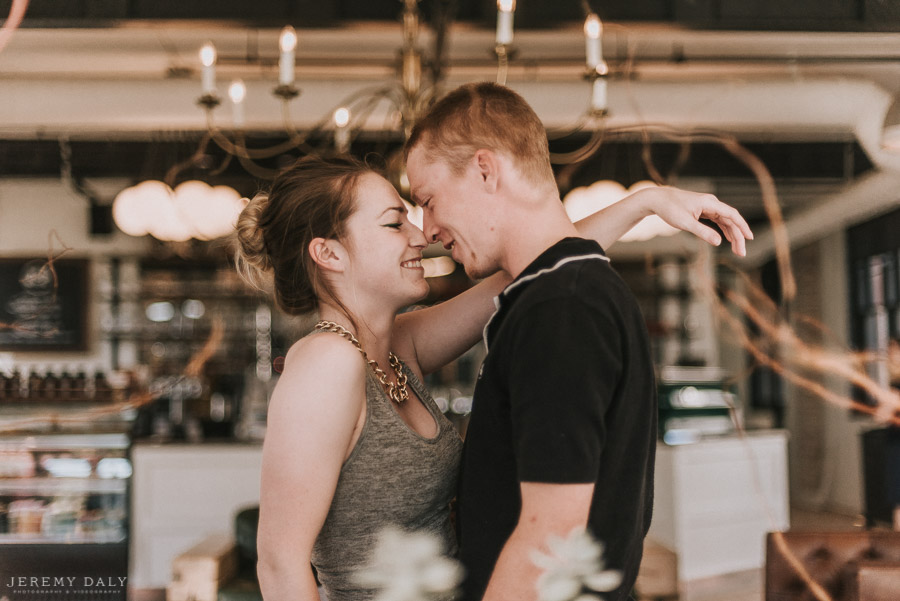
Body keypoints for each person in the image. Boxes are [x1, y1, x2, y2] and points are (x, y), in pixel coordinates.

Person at [234, 151, 750, 599]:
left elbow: (534, 266)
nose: (421, 236)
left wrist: (644, 202)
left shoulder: (396, 348)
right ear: (329, 252)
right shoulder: (327, 362)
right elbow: (280, 562)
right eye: (394, 223)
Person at [404, 82, 753, 601]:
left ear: (485, 169)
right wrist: (644, 202)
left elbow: (550, 539)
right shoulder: (559, 289)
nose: (427, 229)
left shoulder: (560, 308)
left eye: (428, 201)